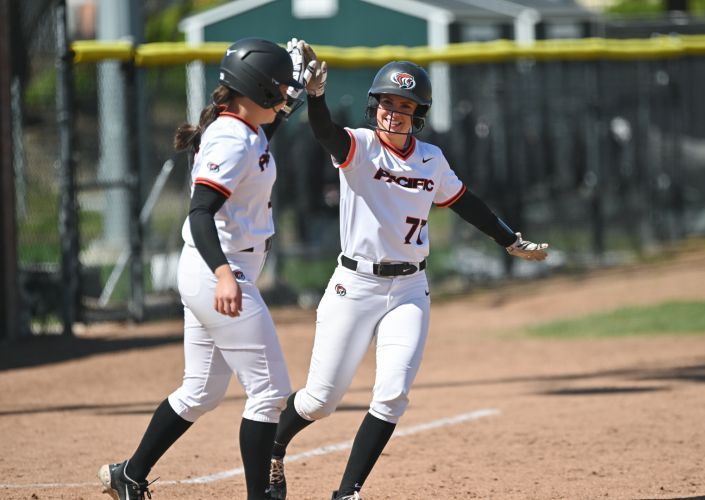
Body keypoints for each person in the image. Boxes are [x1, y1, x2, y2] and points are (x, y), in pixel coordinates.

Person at [266, 43, 549, 500]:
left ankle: (347, 493)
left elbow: (465, 204)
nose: (393, 113)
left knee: (393, 395)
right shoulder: (358, 146)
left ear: (418, 114)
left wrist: (509, 240)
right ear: (375, 107)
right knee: (320, 401)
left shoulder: (431, 159)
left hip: (410, 287)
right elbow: (325, 135)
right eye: (388, 103)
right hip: (354, 285)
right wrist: (315, 98)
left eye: (405, 106)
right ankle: (272, 450)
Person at [97, 37, 306, 500]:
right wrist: (224, 273)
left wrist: (300, 95)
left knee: (201, 391)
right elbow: (200, 212)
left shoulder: (244, 129)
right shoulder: (231, 138)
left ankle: (128, 474)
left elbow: (265, 138)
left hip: (212, 270)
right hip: (220, 271)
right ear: (256, 88)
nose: (284, 91)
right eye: (279, 85)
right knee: (270, 392)